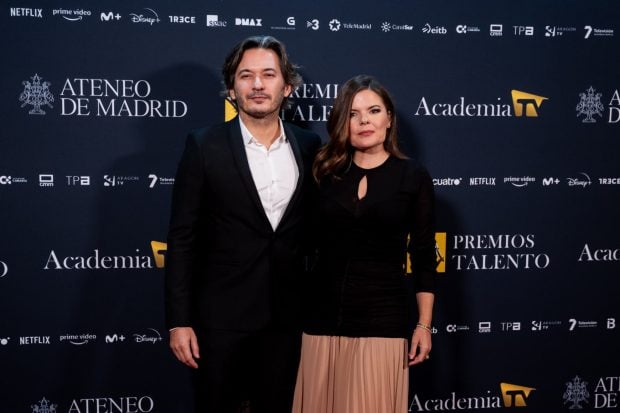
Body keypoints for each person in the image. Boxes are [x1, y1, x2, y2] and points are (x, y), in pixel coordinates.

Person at [164, 35, 321, 413]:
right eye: (246, 75)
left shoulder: (309, 145)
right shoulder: (204, 144)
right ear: (231, 88)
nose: (257, 85)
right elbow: (182, 238)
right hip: (220, 320)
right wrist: (179, 321)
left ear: (287, 86)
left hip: (286, 320)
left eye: (268, 75)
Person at [293, 75, 437, 413]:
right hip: (320, 321)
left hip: (382, 322)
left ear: (389, 118)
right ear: (343, 123)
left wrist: (424, 324)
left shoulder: (412, 176)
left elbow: (424, 256)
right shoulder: (324, 172)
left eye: (373, 111)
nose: (364, 121)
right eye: (353, 114)